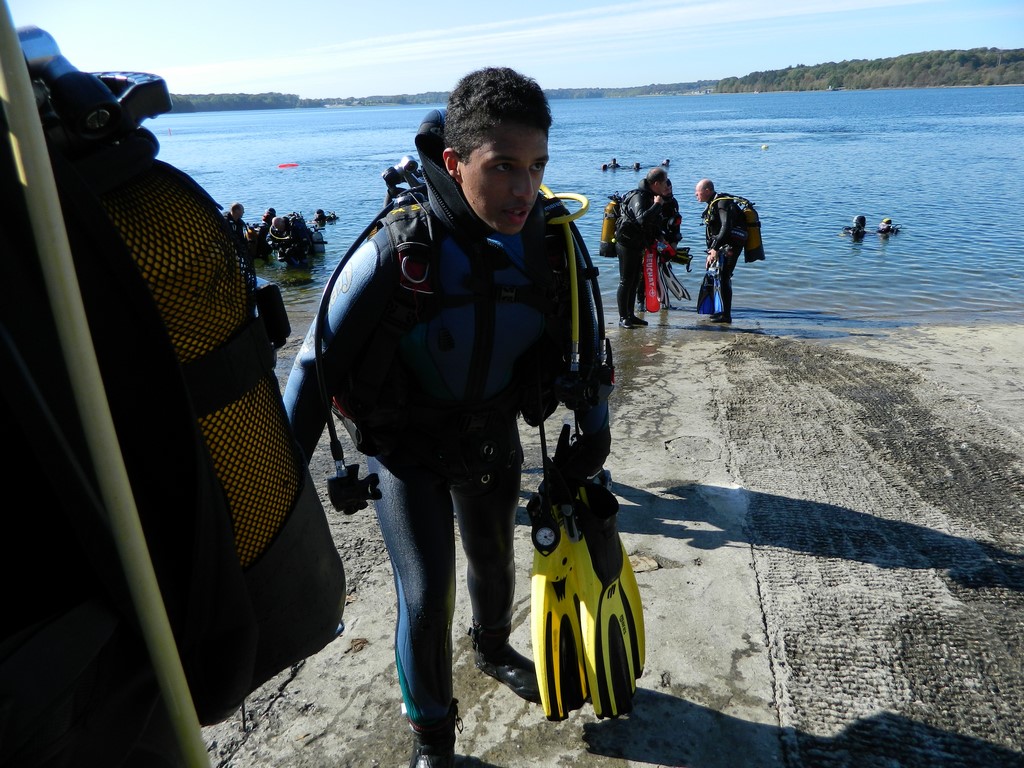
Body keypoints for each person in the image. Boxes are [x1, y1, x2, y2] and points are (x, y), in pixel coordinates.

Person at [283, 67, 612, 766]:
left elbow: (589, 350)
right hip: (405, 448)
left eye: (537, 166)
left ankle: (493, 647)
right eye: (504, 167)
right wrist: (276, 494)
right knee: (427, 596)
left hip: (492, 435)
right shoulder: (400, 249)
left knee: (495, 561)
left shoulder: (552, 242)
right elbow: (313, 366)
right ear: (456, 162)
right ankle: (433, 739)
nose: (525, 189)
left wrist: (596, 431)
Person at [615, 167, 670, 327]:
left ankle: (630, 315)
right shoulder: (639, 196)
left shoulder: (651, 196)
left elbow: (651, 223)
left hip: (638, 243)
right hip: (626, 243)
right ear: (656, 183)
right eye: (665, 183)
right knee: (626, 281)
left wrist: (660, 237)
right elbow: (641, 220)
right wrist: (657, 205)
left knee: (634, 281)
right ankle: (623, 318)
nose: (666, 185)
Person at [695, 178, 747, 324]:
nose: (695, 194)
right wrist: (711, 250)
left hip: (731, 246)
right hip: (723, 245)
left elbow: (726, 227)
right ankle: (722, 312)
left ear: (707, 191)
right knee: (720, 277)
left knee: (724, 277)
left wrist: (715, 248)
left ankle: (726, 315)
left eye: (697, 192)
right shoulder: (713, 204)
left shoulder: (722, 203)